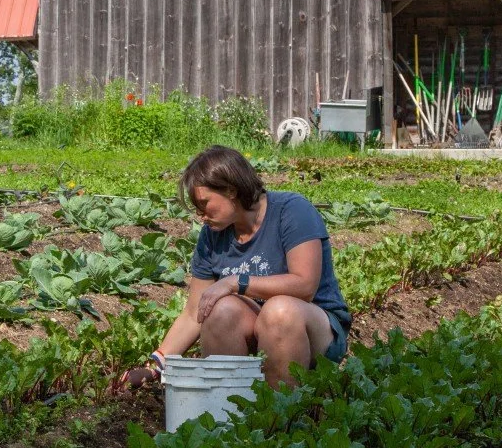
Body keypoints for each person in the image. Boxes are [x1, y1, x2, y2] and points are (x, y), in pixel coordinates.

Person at [128, 145, 351, 390]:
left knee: (279, 311)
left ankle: (283, 408)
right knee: (218, 310)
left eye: (204, 203)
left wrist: (236, 281)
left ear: (231, 191)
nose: (200, 214)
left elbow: (305, 285)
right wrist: (154, 366)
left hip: (314, 331)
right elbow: (194, 313)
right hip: (256, 329)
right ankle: (228, 408)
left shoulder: (291, 211)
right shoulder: (212, 235)